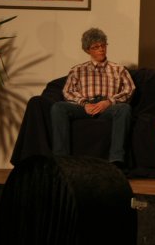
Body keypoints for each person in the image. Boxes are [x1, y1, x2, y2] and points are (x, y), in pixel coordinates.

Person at [51, 28, 136, 169]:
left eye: (103, 45)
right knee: (58, 107)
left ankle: (116, 159)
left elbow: (129, 89)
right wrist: (84, 103)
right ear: (87, 50)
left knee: (124, 109)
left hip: (107, 107)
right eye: (96, 47)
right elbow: (68, 91)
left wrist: (108, 102)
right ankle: (61, 160)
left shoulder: (119, 69)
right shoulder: (77, 70)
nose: (101, 49)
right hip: (84, 106)